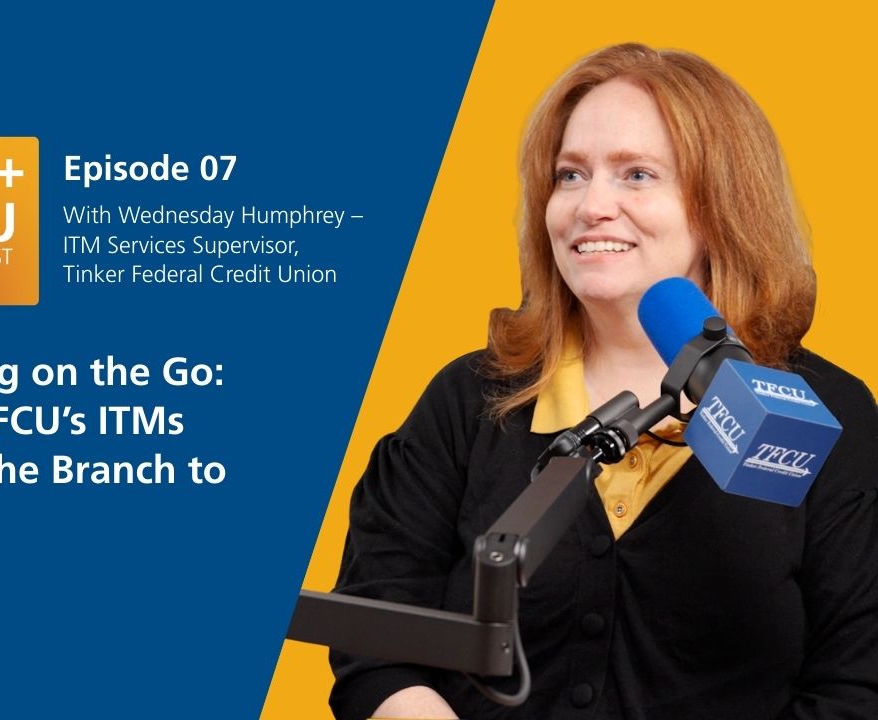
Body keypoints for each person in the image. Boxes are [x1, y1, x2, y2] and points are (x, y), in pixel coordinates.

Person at [329, 43, 878, 720]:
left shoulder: (829, 416)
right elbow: (375, 636)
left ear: (721, 202)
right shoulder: (469, 401)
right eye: (569, 175)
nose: (592, 206)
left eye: (637, 174)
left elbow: (857, 689)